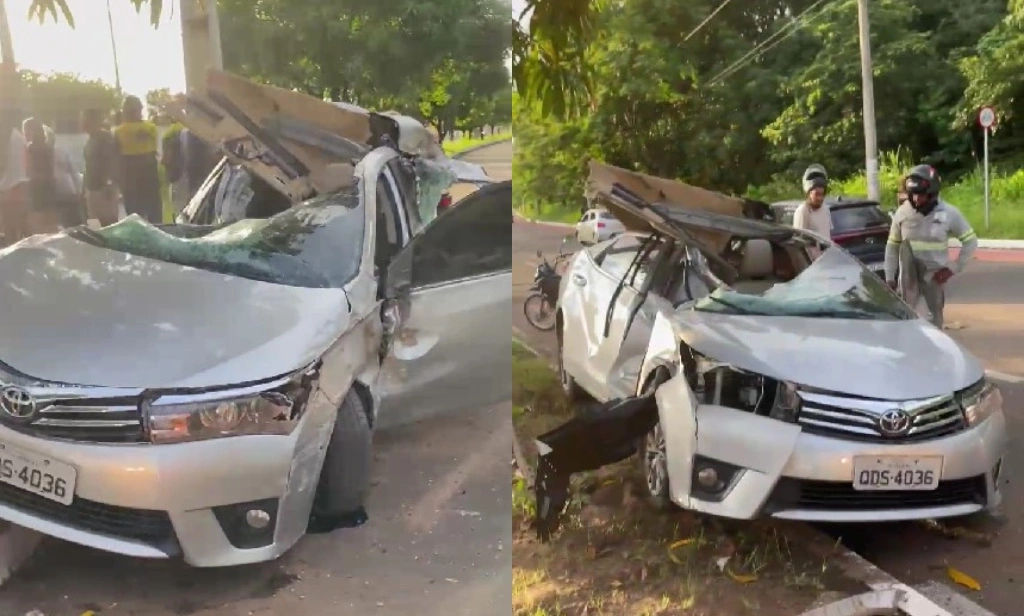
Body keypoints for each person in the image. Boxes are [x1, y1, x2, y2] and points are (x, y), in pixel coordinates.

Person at [883, 164, 978, 329]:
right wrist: (890, 278)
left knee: (935, 320)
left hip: (934, 277)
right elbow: (892, 246)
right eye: (913, 195)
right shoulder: (902, 213)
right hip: (908, 277)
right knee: (907, 319)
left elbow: (970, 241)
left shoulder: (950, 213)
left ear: (933, 193)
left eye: (922, 195)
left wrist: (953, 268)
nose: (917, 199)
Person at [113, 95, 162, 223]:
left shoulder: (118, 131)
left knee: (134, 215)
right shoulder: (151, 127)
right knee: (154, 213)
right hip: (150, 171)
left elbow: (116, 156)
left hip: (129, 174)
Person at [82, 108, 120, 227]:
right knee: (95, 225)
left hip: (103, 189)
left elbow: (112, 161)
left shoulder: (104, 138)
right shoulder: (90, 139)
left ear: (93, 121)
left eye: (84, 119)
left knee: (109, 223)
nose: (81, 122)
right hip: (92, 187)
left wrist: (109, 184)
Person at [792, 164, 832, 241]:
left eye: (822, 194)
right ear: (809, 193)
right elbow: (799, 240)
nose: (820, 198)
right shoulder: (803, 211)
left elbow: (828, 235)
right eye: (816, 194)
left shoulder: (825, 209)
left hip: (826, 252)